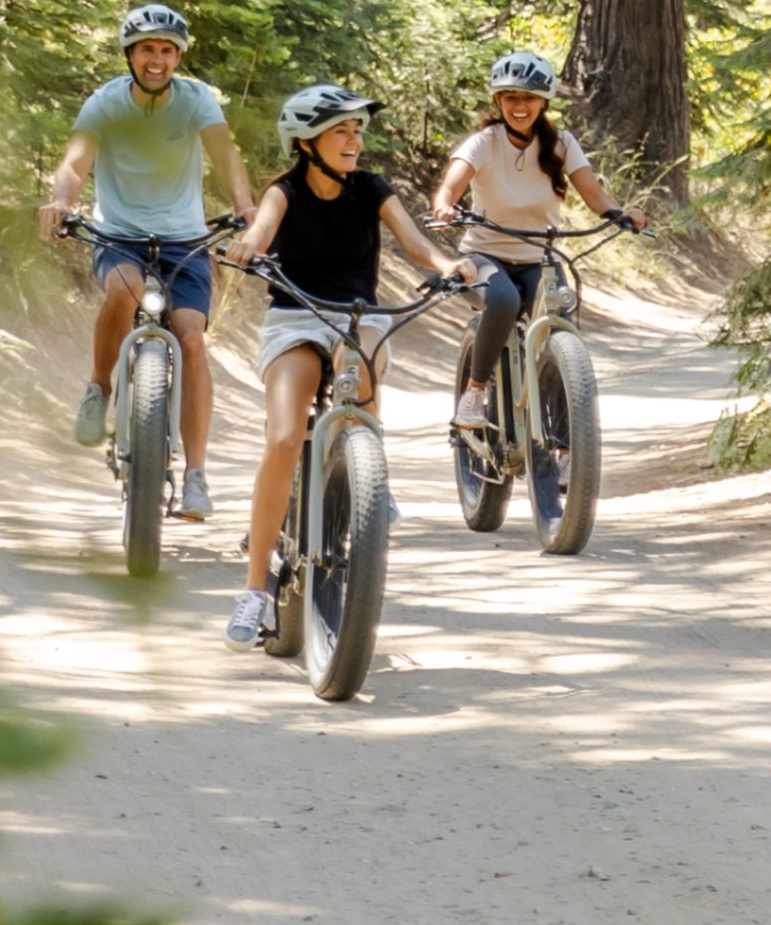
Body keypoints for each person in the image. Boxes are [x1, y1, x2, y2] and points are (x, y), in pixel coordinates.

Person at [222, 84, 468, 651]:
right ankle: (255, 589)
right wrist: (248, 247)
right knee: (284, 436)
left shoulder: (371, 189)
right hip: (294, 316)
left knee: (360, 375)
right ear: (306, 142)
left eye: (358, 130)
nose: (355, 140)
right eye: (342, 130)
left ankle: (366, 479)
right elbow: (260, 230)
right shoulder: (283, 192)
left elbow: (413, 243)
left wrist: (448, 263)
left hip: (359, 317)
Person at [43, 3, 252, 524]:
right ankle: (100, 386)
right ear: (130, 56)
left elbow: (225, 155)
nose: (156, 59)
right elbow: (75, 161)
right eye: (146, 50)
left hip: (185, 240)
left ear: (177, 56)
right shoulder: (107, 101)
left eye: (165, 50)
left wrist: (247, 205)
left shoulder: (197, 99)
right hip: (119, 235)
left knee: (192, 339)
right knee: (123, 291)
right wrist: (61, 202)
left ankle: (197, 475)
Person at [429, 49, 636, 435]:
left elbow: (595, 196)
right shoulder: (484, 143)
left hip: (539, 258)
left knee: (559, 326)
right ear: (498, 101)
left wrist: (618, 214)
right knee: (504, 299)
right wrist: (445, 208)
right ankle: (474, 394)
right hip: (483, 256)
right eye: (510, 97)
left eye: (528, 98)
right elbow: (449, 189)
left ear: (543, 102)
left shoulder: (562, 144)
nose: (519, 106)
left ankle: (564, 446)